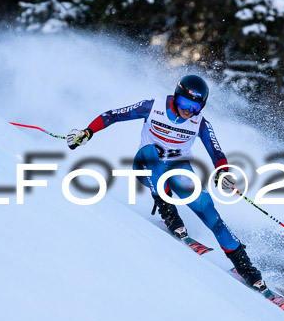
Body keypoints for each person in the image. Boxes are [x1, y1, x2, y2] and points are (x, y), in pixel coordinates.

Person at [66, 75, 267, 293]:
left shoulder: (200, 123)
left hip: (178, 169)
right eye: (184, 103)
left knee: (209, 211)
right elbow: (113, 115)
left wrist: (223, 172)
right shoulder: (154, 107)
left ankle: (245, 267)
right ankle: (169, 213)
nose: (188, 110)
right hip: (146, 166)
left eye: (195, 106)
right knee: (152, 153)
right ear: (176, 98)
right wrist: (87, 132)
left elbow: (216, 151)